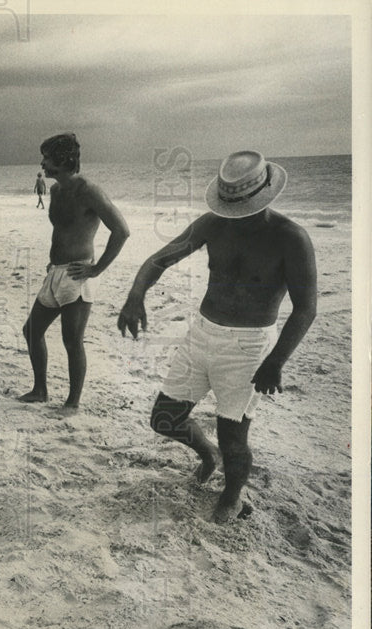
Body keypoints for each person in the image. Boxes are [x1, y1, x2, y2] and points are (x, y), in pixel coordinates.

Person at [118, 150, 317, 523]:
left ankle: (232, 494)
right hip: (202, 334)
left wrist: (276, 360)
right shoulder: (213, 224)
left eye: (242, 211)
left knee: (234, 437)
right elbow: (160, 259)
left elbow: (306, 308)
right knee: (164, 418)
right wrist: (135, 295)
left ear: (263, 199)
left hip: (249, 346)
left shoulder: (291, 238)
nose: (235, 219)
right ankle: (207, 454)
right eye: (230, 210)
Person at [20, 133, 129, 409]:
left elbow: (121, 230)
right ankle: (40, 390)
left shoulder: (88, 190)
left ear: (63, 159)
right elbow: (63, 231)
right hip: (55, 273)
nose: (42, 162)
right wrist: (53, 262)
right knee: (31, 330)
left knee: (72, 341)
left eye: (46, 157)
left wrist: (97, 269)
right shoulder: (55, 190)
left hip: (78, 275)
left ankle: (72, 403)